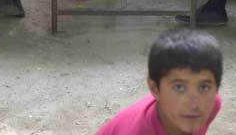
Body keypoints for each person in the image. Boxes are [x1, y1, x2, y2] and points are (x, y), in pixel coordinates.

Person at [95, 29, 223, 135]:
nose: (194, 104)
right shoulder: (137, 131)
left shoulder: (212, 104)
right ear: (154, 89)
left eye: (204, 87)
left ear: (216, 87)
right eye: (179, 87)